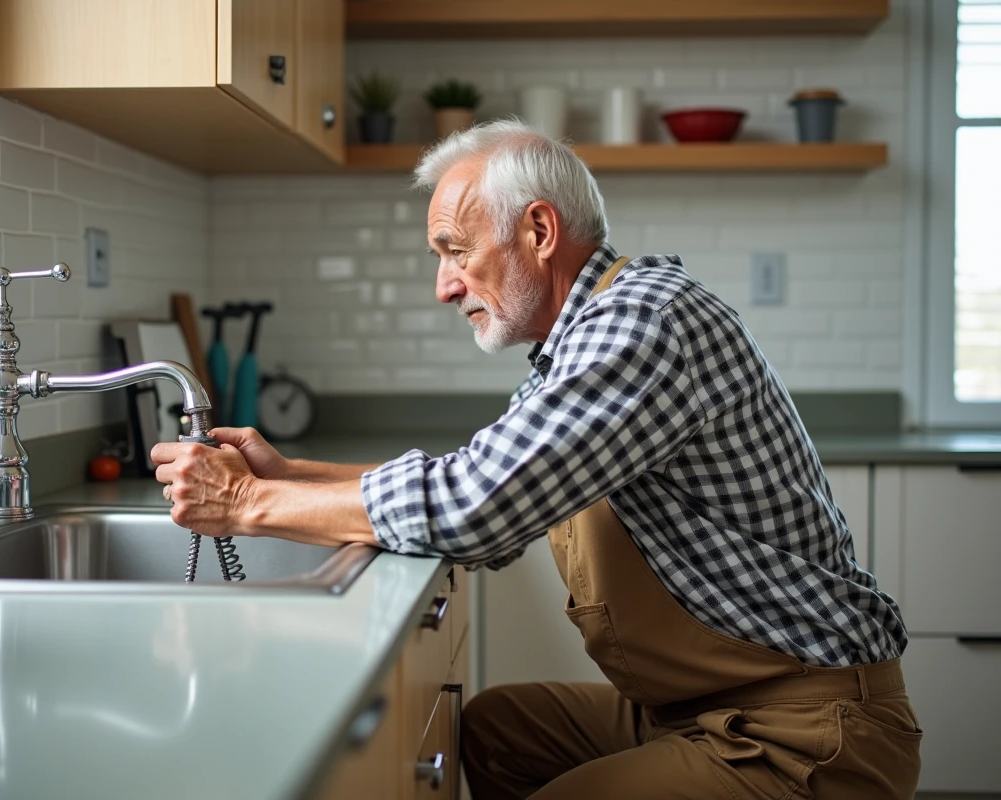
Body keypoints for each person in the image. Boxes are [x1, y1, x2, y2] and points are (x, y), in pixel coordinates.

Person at [151, 120, 921, 798]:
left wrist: (246, 505)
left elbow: (474, 511)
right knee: (496, 731)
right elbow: (480, 476)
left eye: (454, 250)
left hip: (805, 730)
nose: (443, 286)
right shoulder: (579, 341)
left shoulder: (641, 322)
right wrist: (290, 479)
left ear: (539, 231)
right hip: (698, 710)